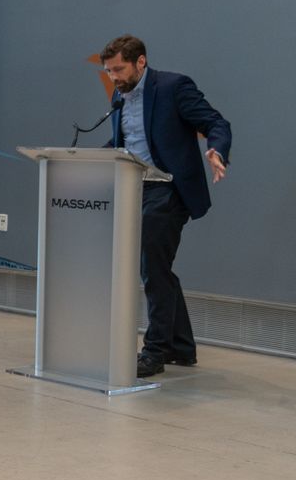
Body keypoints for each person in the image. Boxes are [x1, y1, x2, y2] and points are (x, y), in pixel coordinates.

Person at [100, 35, 233, 378]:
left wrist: (217, 150)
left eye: (119, 69)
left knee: (151, 266)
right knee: (158, 267)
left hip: (169, 188)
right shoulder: (120, 95)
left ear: (140, 62)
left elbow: (216, 122)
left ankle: (154, 351)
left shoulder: (173, 87)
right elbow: (126, 141)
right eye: (109, 71)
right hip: (135, 188)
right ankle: (181, 347)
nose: (113, 77)